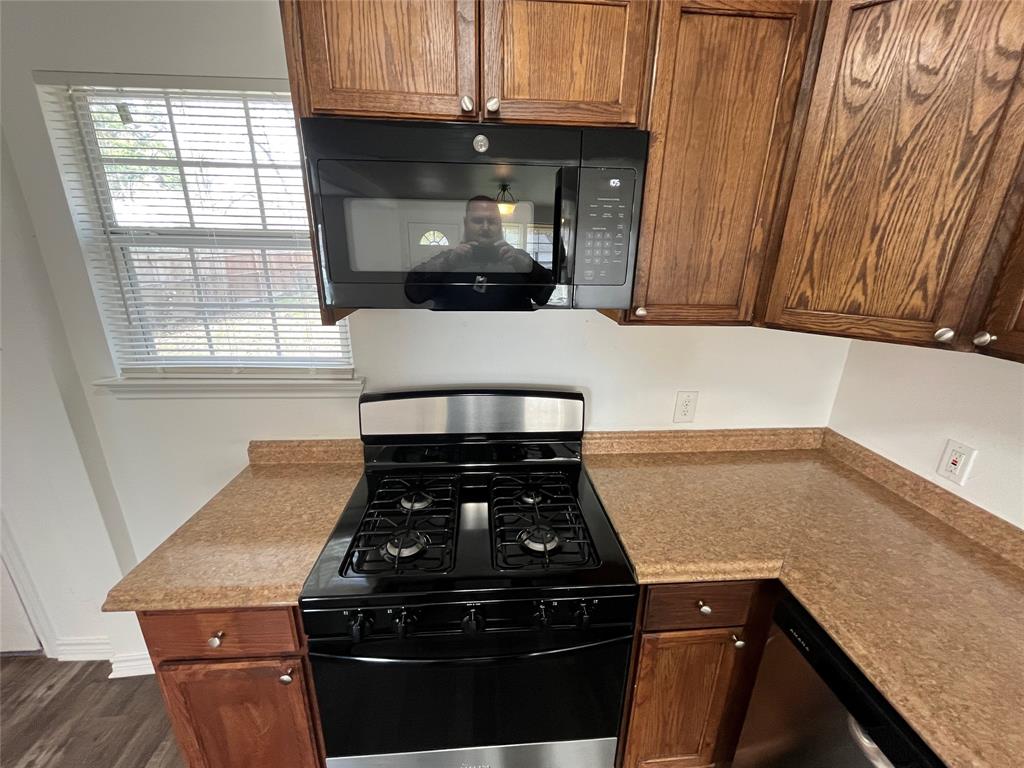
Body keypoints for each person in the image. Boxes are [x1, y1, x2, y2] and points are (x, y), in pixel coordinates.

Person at [404, 195, 555, 309]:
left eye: (492, 221)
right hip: (454, 344)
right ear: (465, 223)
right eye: (477, 221)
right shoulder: (448, 258)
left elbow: (545, 295)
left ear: (500, 224)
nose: (485, 227)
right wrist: (448, 263)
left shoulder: (519, 258)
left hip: (510, 344)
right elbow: (414, 293)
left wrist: (522, 265)